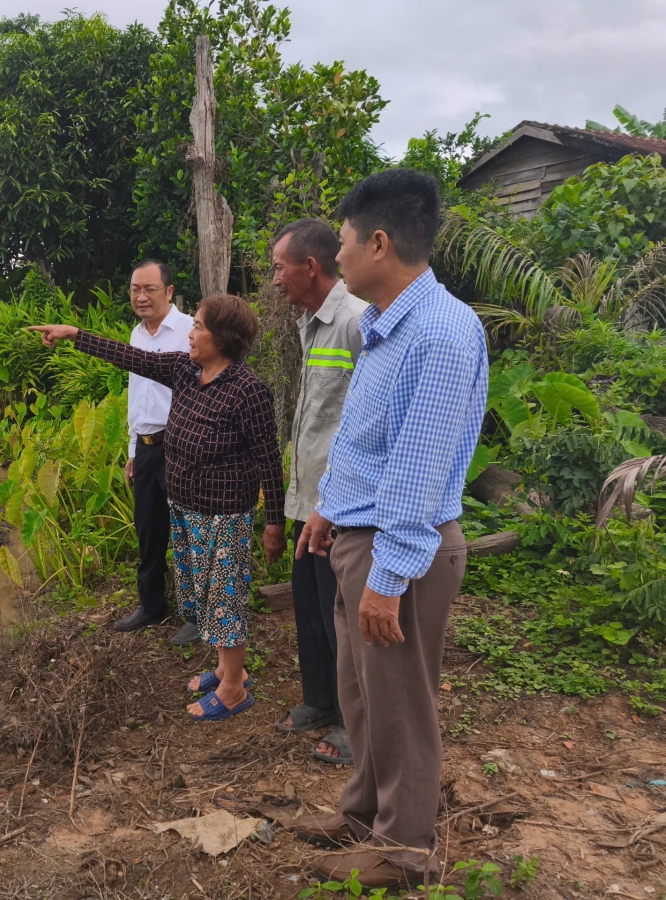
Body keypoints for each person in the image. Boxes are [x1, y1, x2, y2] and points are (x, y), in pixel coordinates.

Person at [290, 169, 488, 889]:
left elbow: (419, 466)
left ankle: (403, 848)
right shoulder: (385, 327)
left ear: (379, 243)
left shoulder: (438, 333)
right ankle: (362, 814)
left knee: (400, 703)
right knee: (361, 692)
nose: (337, 258)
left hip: (398, 548)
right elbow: (368, 442)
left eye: (342, 243)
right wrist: (330, 507)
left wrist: (389, 574)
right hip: (360, 536)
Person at [30, 294, 286, 720]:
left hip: (223, 513)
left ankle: (234, 690)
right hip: (185, 507)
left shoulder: (248, 390)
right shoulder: (187, 370)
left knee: (224, 597)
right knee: (202, 594)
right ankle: (228, 669)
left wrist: (274, 521)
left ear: (222, 338)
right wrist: (75, 335)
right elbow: (130, 356)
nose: (191, 332)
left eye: (199, 326)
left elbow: (268, 459)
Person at [270, 219, 368, 766]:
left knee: (344, 622)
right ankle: (320, 701)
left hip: (342, 508)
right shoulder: (311, 321)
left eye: (280, 267)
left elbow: (363, 424)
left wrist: (335, 507)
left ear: (310, 267)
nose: (276, 277)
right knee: (309, 609)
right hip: (308, 500)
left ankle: (358, 725)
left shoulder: (355, 320)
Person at [114, 260, 197, 642]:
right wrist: (133, 449)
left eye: (149, 289)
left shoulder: (191, 330)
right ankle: (151, 605)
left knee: (188, 531)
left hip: (180, 446)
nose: (141, 297)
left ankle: (196, 615)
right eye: (135, 289)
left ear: (168, 291)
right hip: (146, 449)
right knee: (149, 531)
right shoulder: (136, 334)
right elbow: (139, 397)